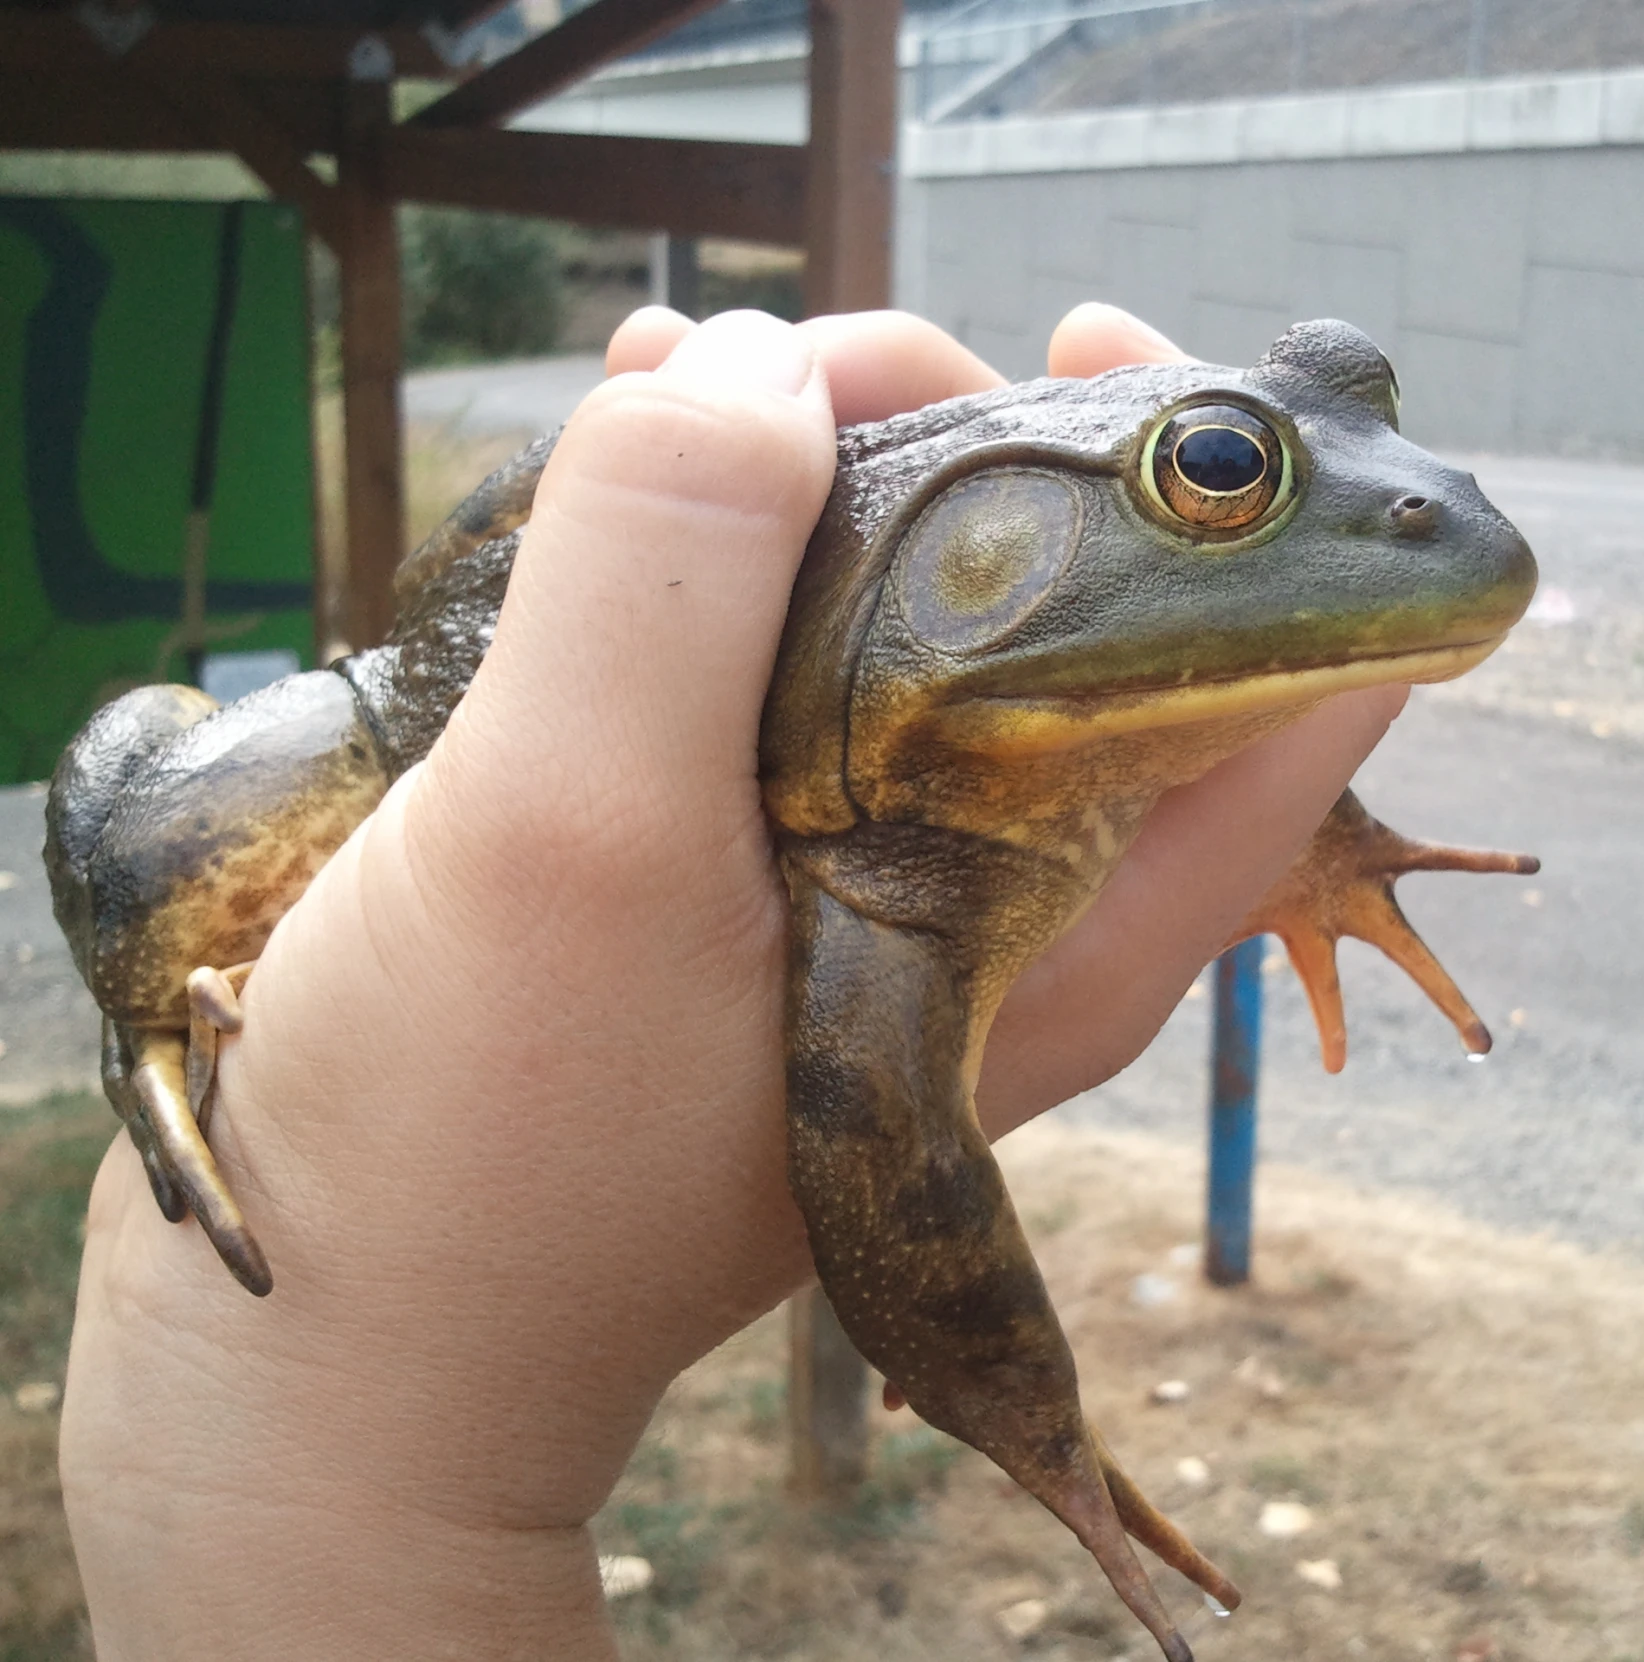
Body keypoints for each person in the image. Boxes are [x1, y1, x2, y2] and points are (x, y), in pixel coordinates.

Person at [59, 302, 1412, 1659]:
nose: (1415, 500)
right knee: (161, 834)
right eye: (1224, 474)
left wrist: (1322, 844)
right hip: (447, 675)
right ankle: (148, 1010)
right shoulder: (908, 849)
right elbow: (892, 1149)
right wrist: (1029, 1408)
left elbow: (1218, 680)